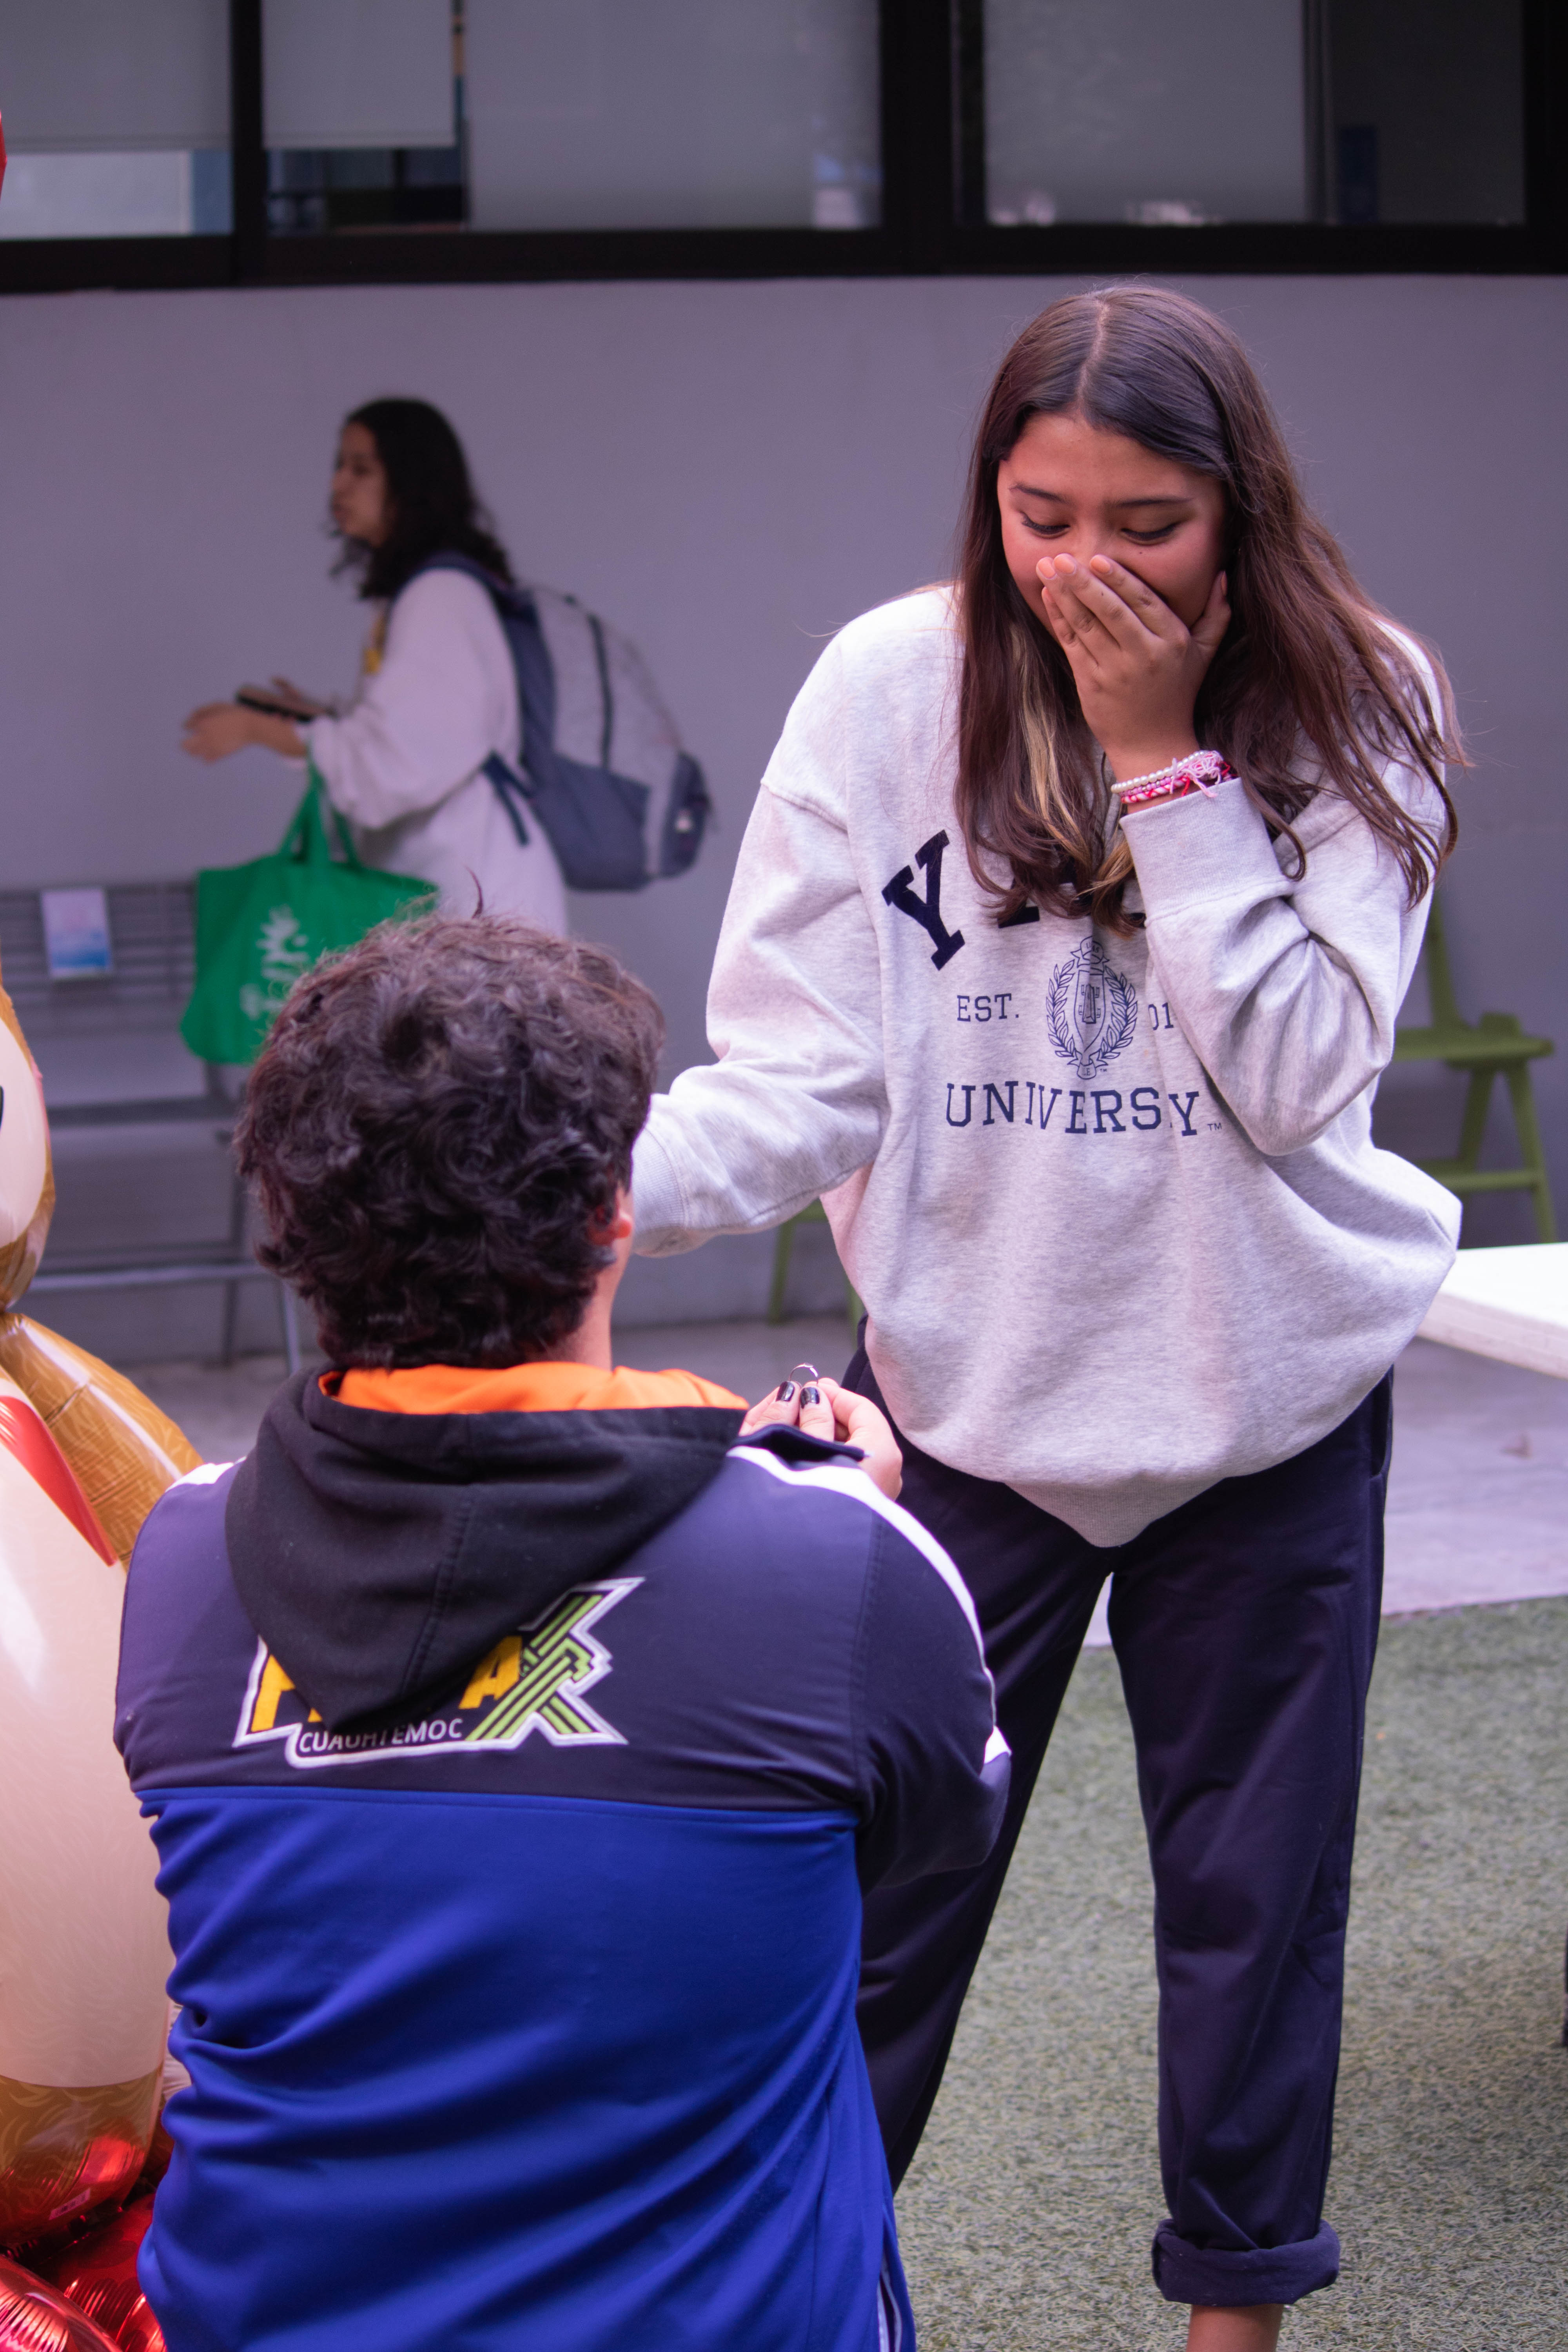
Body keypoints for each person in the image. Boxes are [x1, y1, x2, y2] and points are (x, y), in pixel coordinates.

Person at [628, 286, 1462, 2351]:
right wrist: (574, 1192)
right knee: (873, 1899)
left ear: (1241, 517)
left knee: (1255, 1914)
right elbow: (813, 1067)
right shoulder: (888, 686)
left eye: (1149, 523)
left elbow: (1294, 1075)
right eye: (1041, 512)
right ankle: (801, 2296)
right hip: (967, 1404)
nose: (1088, 567)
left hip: (1263, 1404)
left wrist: (1166, 765)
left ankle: (1233, 2328)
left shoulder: (1364, 704)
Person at [114, 914, 1007, 2352]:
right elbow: (938, 1839)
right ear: (614, 1214)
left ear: (291, 1224)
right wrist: (828, 1521)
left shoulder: (175, 1561)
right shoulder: (843, 1564)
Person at [180, 400, 697, 925]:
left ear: (410, 483)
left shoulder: (440, 597)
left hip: (476, 904)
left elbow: (400, 766)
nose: (339, 484)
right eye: (340, 466)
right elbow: (417, 737)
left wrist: (259, 731)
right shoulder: (426, 594)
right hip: (465, 895)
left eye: (361, 469)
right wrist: (316, 720)